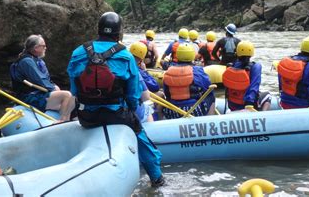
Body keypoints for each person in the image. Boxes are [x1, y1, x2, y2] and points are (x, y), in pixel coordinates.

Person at [67, 12, 164, 187]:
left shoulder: (78, 52)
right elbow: (133, 96)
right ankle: (157, 178)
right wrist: (131, 110)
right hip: (117, 116)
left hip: (86, 117)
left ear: (98, 30)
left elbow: (74, 90)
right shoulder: (126, 56)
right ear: (119, 34)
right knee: (143, 141)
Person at [9, 34, 76, 122]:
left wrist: (53, 86)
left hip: (38, 94)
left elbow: (46, 80)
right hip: (29, 98)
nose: (46, 48)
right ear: (36, 48)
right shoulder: (27, 62)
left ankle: (69, 119)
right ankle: (63, 121)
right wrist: (53, 88)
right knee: (66, 95)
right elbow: (39, 80)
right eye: (43, 46)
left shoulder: (36, 60)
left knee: (72, 100)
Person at [162, 43, 216, 119]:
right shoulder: (197, 71)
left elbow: (166, 93)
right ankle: (210, 121)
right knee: (210, 94)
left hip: (172, 111)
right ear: (192, 55)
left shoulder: (168, 72)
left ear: (178, 55)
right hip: (194, 111)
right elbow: (207, 87)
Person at [222, 41, 271, 112]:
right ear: (251, 53)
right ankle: (263, 116)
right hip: (247, 105)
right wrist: (249, 103)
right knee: (268, 95)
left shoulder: (231, 66)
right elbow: (254, 86)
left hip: (232, 104)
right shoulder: (255, 67)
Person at [130, 42, 161, 123]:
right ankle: (159, 121)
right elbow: (154, 87)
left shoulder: (122, 65)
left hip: (122, 104)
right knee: (160, 94)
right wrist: (145, 71)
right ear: (141, 59)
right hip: (134, 104)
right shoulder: (138, 71)